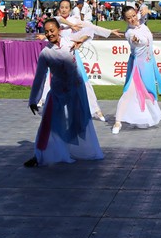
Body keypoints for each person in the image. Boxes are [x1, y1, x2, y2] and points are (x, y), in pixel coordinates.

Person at [24, 18, 105, 167]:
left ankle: (67, 146)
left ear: (59, 30)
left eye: (52, 30)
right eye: (46, 32)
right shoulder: (45, 53)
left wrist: (80, 40)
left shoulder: (69, 41)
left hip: (76, 88)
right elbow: (39, 78)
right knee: (48, 123)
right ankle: (39, 155)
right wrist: (33, 100)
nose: (49, 34)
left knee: (80, 121)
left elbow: (89, 30)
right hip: (58, 91)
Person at [41, 0, 122, 121]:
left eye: (66, 7)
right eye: (62, 7)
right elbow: (58, 20)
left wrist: (109, 31)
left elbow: (91, 28)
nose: (64, 9)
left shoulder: (75, 20)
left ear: (70, 9)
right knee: (53, 82)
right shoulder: (55, 21)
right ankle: (50, 108)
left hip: (72, 57)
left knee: (83, 82)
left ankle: (96, 110)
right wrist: (71, 25)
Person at [112, 6, 161, 134]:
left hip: (147, 64)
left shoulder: (141, 22)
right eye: (128, 18)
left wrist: (148, 10)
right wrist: (136, 40)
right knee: (128, 92)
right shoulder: (129, 32)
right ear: (125, 20)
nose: (132, 19)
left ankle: (145, 116)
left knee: (147, 91)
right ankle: (117, 122)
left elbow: (146, 12)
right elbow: (136, 41)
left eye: (133, 16)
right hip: (137, 66)